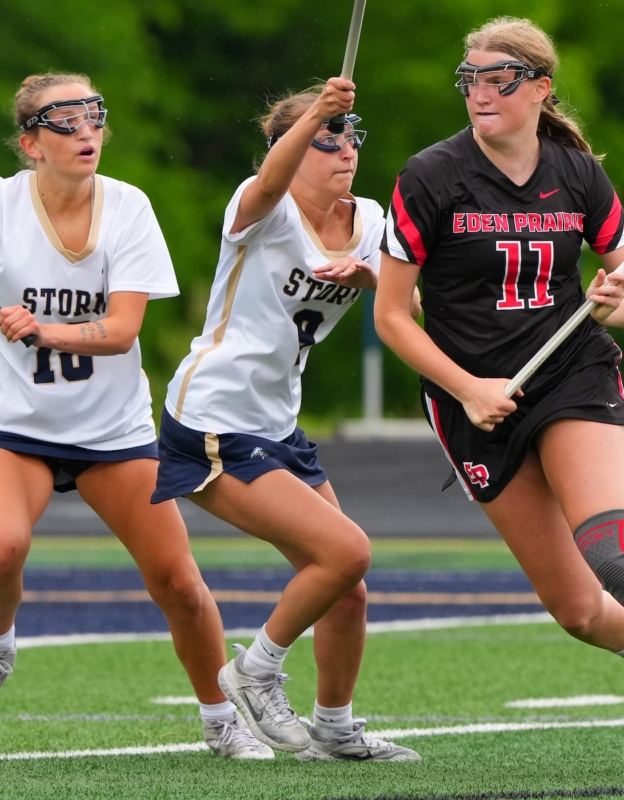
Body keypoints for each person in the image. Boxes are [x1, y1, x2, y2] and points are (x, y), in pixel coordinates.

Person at [374, 17, 624, 784]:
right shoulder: (428, 177)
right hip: (473, 402)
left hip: (572, 377)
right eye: (470, 79)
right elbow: (393, 315)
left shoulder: (577, 173)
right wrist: (468, 387)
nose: (480, 93)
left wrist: (609, 301)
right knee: (579, 610)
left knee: (615, 553)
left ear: (540, 88)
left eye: (500, 79)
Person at [0, 73, 270, 759]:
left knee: (180, 584)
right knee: (0, 549)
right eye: (66, 121)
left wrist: (44, 330)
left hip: (111, 430)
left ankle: (219, 717)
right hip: (9, 421)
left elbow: (121, 329)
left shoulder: (130, 208)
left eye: (94, 117)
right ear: (31, 142)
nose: (86, 133)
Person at [150, 78, 421, 762]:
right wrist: (315, 116)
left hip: (276, 422)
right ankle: (255, 671)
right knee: (347, 550)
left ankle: (333, 727)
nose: (343, 149)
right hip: (212, 415)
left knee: (348, 589)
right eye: (326, 138)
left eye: (349, 135)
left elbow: (416, 311)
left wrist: (371, 284)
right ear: (288, 149)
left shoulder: (370, 221)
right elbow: (267, 182)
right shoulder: (260, 208)